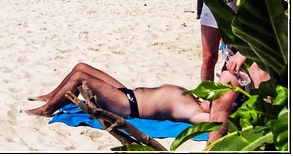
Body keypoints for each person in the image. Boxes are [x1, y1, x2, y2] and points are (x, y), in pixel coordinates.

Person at [26, 61, 264, 144]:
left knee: (80, 77)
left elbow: (217, 120)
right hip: (127, 92)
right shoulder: (197, 101)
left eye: (215, 102)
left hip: (126, 105)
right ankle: (52, 96)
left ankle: (46, 110)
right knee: (81, 67)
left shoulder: (196, 114)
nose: (211, 99)